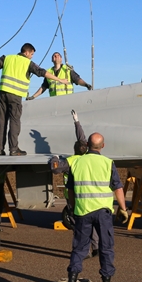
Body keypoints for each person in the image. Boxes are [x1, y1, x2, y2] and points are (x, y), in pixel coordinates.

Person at [63, 132, 128, 282]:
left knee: (79, 248)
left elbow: (70, 189)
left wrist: (72, 207)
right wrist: (123, 208)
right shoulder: (108, 163)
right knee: (106, 247)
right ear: (102, 146)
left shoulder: (77, 162)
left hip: (82, 211)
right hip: (103, 212)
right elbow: (118, 188)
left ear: (88, 146)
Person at [0, 43, 69, 156]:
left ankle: (0, 149)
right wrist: (60, 80)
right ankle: (14, 149)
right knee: (14, 122)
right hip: (15, 96)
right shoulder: (27, 63)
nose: (32, 56)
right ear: (26, 52)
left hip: (2, 94)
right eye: (32, 54)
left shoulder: (7, 58)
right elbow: (43, 72)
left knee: (1, 122)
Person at [49, 110, 98, 259]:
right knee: (92, 225)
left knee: (80, 227)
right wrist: (77, 122)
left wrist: (54, 158)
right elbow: (82, 140)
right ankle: (96, 247)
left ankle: (84, 252)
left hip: (74, 200)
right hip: (90, 198)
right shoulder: (89, 158)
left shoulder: (70, 162)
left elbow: (55, 168)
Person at [27, 52, 92, 100]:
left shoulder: (67, 70)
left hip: (67, 100)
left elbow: (78, 80)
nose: (56, 56)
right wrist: (33, 97)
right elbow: (43, 87)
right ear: (52, 60)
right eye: (54, 56)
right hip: (54, 101)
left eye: (58, 55)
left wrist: (86, 85)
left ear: (61, 59)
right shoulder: (49, 72)